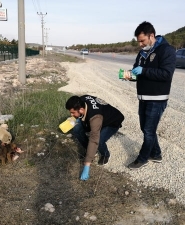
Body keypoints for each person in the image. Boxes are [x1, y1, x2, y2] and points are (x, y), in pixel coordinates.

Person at [127, 21, 176, 169]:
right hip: (143, 97)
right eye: (138, 41)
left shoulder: (166, 50)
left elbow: (166, 74)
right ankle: (156, 154)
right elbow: (137, 69)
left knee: (148, 131)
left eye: (142, 40)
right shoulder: (142, 53)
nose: (140, 44)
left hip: (157, 98)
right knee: (146, 128)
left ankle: (142, 159)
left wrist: (144, 71)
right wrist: (132, 75)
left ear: (151, 36)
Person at [65, 95, 124, 180]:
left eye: (73, 113)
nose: (71, 114)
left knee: (99, 140)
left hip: (112, 122)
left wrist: (86, 165)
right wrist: (75, 119)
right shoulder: (81, 100)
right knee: (77, 129)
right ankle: (91, 151)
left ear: (81, 110)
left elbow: (94, 140)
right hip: (100, 117)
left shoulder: (95, 117)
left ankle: (105, 154)